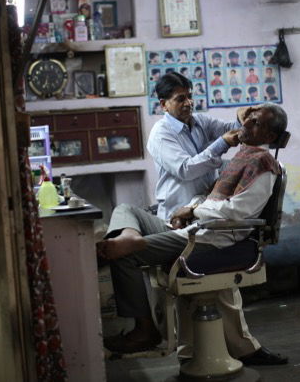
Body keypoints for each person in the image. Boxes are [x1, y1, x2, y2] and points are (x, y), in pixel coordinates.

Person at [101, 72, 287, 365]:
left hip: (206, 224)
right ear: (164, 104)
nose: (188, 103)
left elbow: (236, 206)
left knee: (219, 292)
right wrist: (224, 144)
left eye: (189, 96)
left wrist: (245, 115)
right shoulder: (161, 134)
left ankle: (219, 349)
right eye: (180, 99)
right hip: (181, 215)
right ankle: (219, 349)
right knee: (125, 211)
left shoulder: (258, 161)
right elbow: (187, 169)